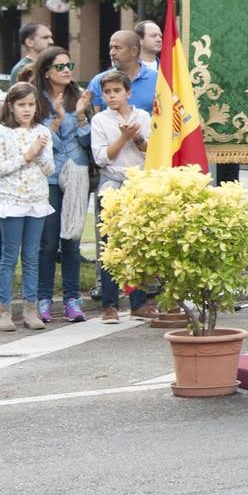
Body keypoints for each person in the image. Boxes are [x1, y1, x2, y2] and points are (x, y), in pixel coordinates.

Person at [0, 83, 56, 332]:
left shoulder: (42, 132)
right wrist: (26, 155)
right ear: (11, 106)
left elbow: (50, 168)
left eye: (31, 104)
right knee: (9, 256)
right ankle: (3, 308)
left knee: (31, 257)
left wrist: (38, 153)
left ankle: (31, 308)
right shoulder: (2, 132)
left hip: (37, 200)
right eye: (21, 105)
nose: (27, 110)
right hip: (12, 200)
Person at [32, 46, 92, 324]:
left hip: (76, 172)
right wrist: (56, 118)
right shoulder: (36, 100)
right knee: (47, 242)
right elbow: (40, 141)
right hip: (49, 176)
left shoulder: (78, 96)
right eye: (60, 66)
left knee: (72, 239)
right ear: (46, 72)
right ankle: (43, 298)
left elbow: (87, 142)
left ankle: (72, 299)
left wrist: (80, 116)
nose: (67, 70)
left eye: (70, 64)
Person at [90, 72, 153, 323]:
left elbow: (150, 149)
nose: (112, 96)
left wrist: (137, 138)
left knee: (137, 244)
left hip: (137, 182)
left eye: (117, 91)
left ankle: (138, 301)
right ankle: (110, 304)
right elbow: (103, 157)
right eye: (107, 92)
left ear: (128, 93)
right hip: (112, 184)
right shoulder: (100, 120)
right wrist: (123, 137)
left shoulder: (143, 116)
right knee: (110, 247)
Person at [89, 30, 157, 113]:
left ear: (133, 51)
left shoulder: (157, 80)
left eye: (117, 48)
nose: (112, 53)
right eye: (111, 48)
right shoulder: (98, 81)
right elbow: (93, 120)